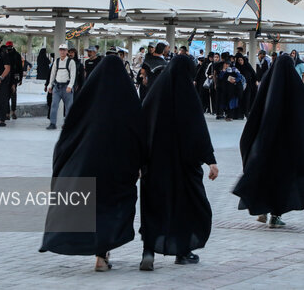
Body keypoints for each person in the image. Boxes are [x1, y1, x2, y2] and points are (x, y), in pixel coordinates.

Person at [39, 55, 145, 272]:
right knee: (110, 208)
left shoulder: (87, 100)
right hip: (118, 168)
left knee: (92, 207)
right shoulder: (127, 98)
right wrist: (140, 163)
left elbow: (68, 135)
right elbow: (138, 133)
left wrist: (63, 164)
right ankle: (102, 254)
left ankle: (99, 254)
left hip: (87, 164)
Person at [139, 55, 218, 271]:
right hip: (183, 168)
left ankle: (148, 252)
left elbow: (140, 128)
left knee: (154, 206)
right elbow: (198, 130)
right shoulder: (187, 94)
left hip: (154, 167)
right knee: (188, 206)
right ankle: (183, 251)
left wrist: (137, 162)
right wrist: (210, 160)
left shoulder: (154, 94)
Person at [233, 54, 304, 228]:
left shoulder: (267, 87)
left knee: (265, 175)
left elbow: (255, 117)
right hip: (287, 148)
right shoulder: (295, 88)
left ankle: (263, 209)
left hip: (265, 145)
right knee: (283, 181)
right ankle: (276, 215)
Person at [46, 44, 76, 130]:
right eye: (61, 50)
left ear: (67, 51)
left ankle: (68, 124)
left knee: (69, 107)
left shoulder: (71, 62)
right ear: (59, 51)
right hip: (57, 87)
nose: (62, 52)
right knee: (54, 105)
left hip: (67, 87)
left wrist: (70, 86)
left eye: (64, 50)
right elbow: (53, 74)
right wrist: (50, 85)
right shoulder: (56, 61)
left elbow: (73, 75)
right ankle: (52, 123)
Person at [5, 41, 23, 120]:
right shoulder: (4, 54)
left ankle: (12, 111)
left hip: (14, 77)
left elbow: (20, 68)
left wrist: (20, 78)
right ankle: (7, 112)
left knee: (13, 94)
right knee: (6, 96)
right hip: (6, 77)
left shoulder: (16, 55)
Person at [235, 53, 257, 117]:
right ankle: (240, 113)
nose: (240, 62)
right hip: (240, 85)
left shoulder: (247, 65)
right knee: (240, 99)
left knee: (247, 99)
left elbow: (253, 73)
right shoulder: (237, 67)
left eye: (241, 60)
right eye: (239, 60)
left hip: (248, 85)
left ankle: (246, 112)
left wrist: (256, 80)